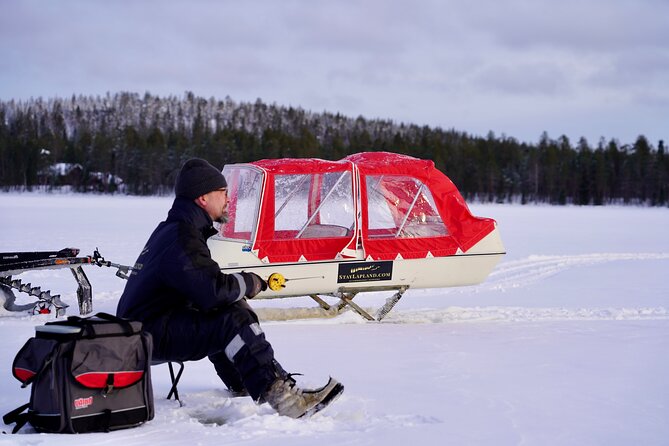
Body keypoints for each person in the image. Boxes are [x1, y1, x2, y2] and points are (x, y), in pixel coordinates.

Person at [116, 158, 343, 418]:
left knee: (224, 310)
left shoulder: (176, 231)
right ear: (203, 198)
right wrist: (250, 282)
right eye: (223, 192)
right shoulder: (182, 237)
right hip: (147, 335)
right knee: (233, 317)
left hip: (146, 329)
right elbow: (212, 291)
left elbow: (204, 288)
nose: (229, 199)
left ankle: (246, 384)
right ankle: (286, 401)